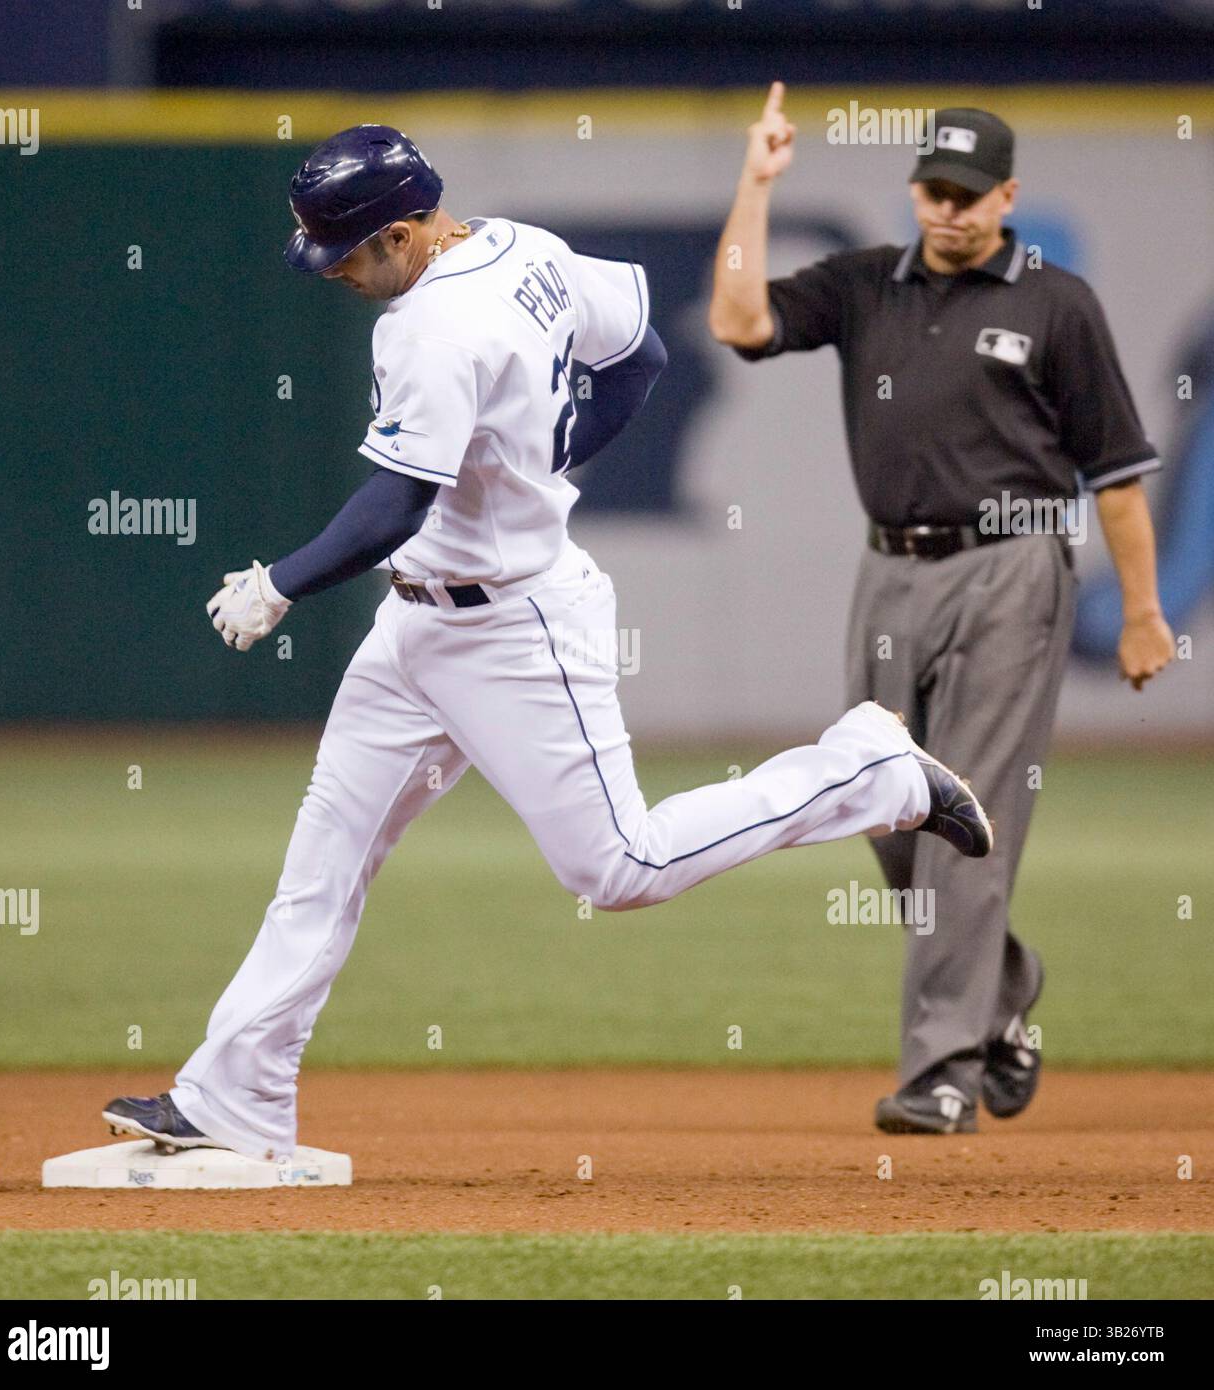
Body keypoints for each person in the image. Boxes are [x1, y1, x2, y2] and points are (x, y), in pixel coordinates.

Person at [103, 124, 991, 1162]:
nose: (332, 272)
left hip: (515, 631)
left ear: (399, 234)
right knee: (322, 862)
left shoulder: (430, 326)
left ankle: (867, 770)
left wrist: (281, 583)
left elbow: (396, 499)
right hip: (415, 627)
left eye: (342, 251)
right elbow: (641, 352)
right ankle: (234, 1097)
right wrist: (556, 466)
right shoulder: (524, 248)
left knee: (620, 866)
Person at [709, 87, 1175, 1135]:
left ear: (1007, 196)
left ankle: (941, 1072)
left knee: (971, 813)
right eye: (933, 189)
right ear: (911, 189)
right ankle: (1004, 990)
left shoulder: (1058, 305)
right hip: (888, 573)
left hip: (1009, 571)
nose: (949, 209)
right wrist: (756, 181)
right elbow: (738, 319)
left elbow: (1116, 475)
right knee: (885, 805)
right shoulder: (865, 284)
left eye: (970, 194)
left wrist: (1141, 610)